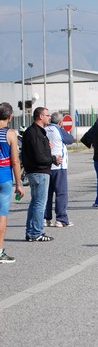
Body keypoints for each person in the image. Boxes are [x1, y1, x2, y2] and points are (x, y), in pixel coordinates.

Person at [22, 106, 62, 242]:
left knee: (35, 203)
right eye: (47, 115)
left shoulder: (37, 132)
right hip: (39, 172)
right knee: (40, 203)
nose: (49, 118)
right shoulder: (34, 133)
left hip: (37, 171)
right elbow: (39, 157)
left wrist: (48, 149)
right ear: (40, 116)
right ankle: (36, 232)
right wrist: (53, 159)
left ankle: (31, 232)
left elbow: (39, 152)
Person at [0, 102, 24, 262]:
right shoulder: (10, 134)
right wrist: (19, 184)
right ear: (10, 117)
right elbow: (15, 161)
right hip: (4, 177)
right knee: (2, 215)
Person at [44, 112, 74, 227]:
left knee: (47, 193)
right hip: (59, 166)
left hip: (46, 165)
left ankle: (46, 218)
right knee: (61, 193)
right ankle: (61, 219)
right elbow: (70, 139)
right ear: (60, 122)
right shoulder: (59, 130)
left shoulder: (45, 129)